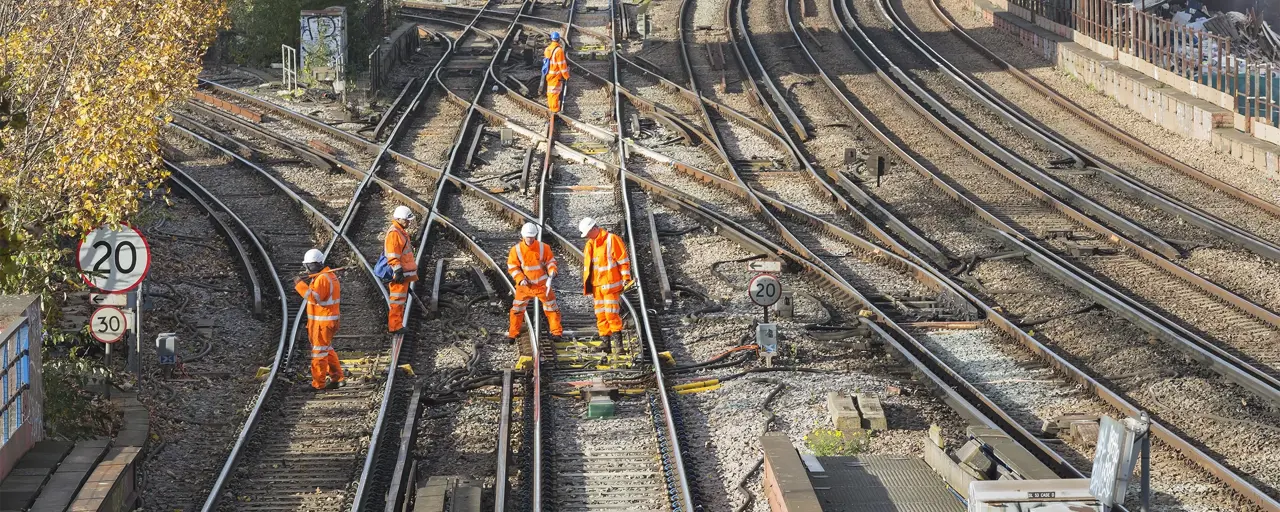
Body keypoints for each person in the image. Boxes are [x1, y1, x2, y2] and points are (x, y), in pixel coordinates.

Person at [294, 249, 344, 390]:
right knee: (326, 349)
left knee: (319, 353)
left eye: (308, 265)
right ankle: (337, 378)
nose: (307, 269)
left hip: (322, 323)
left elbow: (314, 297)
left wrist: (299, 284)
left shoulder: (322, 278)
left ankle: (318, 384)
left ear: (316, 264)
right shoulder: (327, 276)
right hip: (327, 321)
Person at [579, 217, 631, 353]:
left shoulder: (611, 239)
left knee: (611, 315)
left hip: (610, 285)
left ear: (594, 229)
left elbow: (623, 260)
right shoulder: (590, 244)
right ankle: (605, 344)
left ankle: (619, 346)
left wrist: (626, 277)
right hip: (597, 287)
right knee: (601, 315)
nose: (587, 237)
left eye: (588, 233)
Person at [507, 222, 563, 343]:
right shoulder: (516, 250)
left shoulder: (544, 247)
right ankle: (513, 333)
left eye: (532, 236)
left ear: (535, 236)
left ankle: (556, 332)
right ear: (523, 236)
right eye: (528, 236)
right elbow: (513, 267)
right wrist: (520, 279)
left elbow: (551, 262)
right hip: (525, 286)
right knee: (517, 310)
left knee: (552, 308)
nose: (530, 239)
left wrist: (552, 271)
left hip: (542, 286)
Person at [385, 205, 418, 333]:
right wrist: (397, 270)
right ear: (399, 219)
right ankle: (395, 326)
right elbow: (393, 254)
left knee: (400, 301)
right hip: (399, 273)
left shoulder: (399, 231)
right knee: (397, 300)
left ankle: (397, 324)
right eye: (407, 220)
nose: (408, 222)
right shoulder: (394, 233)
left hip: (403, 273)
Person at [542, 31, 570, 114]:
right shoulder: (559, 51)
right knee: (555, 92)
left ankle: (551, 107)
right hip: (556, 75)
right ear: (558, 40)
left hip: (548, 74)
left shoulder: (547, 49)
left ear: (551, 39)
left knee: (550, 92)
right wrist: (566, 75)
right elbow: (562, 65)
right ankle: (554, 110)